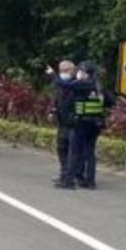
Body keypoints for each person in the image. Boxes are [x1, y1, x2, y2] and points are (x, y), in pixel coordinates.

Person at [47, 60, 115, 189]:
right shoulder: (99, 87)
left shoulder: (83, 84)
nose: (78, 73)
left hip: (82, 123)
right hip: (96, 124)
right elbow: (111, 101)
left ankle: (68, 181)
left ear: (86, 73)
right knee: (90, 153)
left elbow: (63, 84)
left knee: (74, 152)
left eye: (81, 71)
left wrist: (52, 74)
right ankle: (90, 181)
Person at [49, 60, 77, 182]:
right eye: (61, 71)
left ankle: (72, 175)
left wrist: (52, 75)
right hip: (62, 122)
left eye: (66, 70)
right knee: (61, 148)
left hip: (74, 123)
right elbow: (55, 99)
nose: (63, 73)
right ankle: (64, 172)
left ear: (73, 71)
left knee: (73, 150)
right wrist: (52, 111)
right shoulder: (59, 86)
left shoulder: (77, 84)